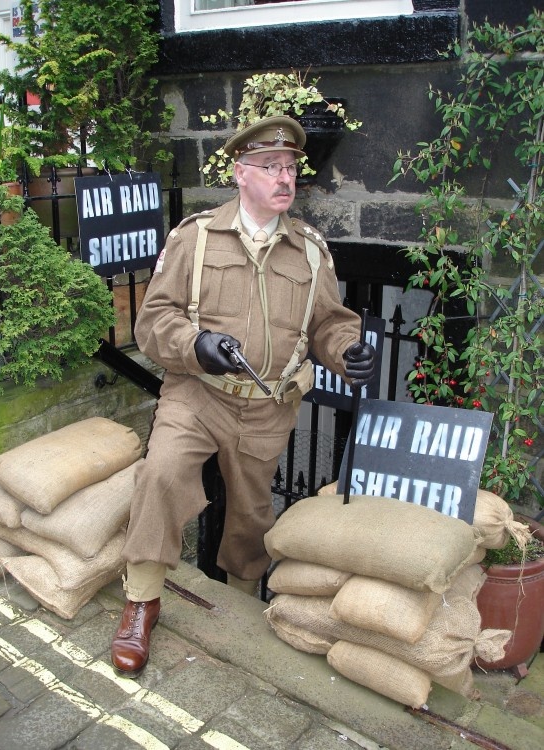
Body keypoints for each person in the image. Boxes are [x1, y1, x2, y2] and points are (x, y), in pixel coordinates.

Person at [110, 115, 375, 677]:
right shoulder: (196, 237)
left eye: (291, 168)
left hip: (267, 403)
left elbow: (328, 322)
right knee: (160, 474)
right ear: (240, 174)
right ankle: (141, 600)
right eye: (271, 167)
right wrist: (195, 343)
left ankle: (238, 602)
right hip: (197, 394)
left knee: (253, 512)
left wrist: (347, 349)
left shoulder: (309, 251)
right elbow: (153, 319)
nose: (285, 178)